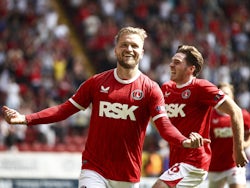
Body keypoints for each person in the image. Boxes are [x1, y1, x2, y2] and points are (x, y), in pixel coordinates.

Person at [1, 27, 209, 188]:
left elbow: (164, 125)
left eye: (135, 46)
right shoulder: (96, 83)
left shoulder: (151, 89)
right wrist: (26, 119)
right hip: (94, 169)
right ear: (116, 48)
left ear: (142, 52)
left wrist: (184, 141)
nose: (129, 49)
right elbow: (64, 110)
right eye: (125, 45)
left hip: (127, 175)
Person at [152, 45, 249, 188]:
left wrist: (238, 149)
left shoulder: (201, 87)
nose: (171, 65)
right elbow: (157, 120)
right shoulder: (166, 89)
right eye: (172, 61)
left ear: (191, 69)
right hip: (177, 160)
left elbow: (236, 111)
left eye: (177, 62)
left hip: (194, 161)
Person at [208, 82, 250, 188]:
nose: (224, 97)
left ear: (232, 96)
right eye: (221, 94)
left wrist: (244, 144)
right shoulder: (209, 116)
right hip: (215, 166)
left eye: (226, 93)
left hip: (235, 164)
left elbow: (249, 133)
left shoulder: (242, 114)